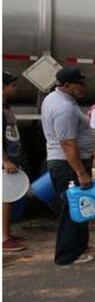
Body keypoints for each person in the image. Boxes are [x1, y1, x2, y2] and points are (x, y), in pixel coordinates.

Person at [41, 67, 95, 265]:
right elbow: (68, 143)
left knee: (78, 208)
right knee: (72, 209)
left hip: (67, 163)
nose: (83, 87)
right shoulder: (63, 108)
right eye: (79, 83)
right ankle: (67, 255)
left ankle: (79, 246)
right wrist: (81, 172)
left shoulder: (59, 100)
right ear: (65, 85)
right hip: (68, 165)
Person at [3, 71, 28, 252]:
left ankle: (6, 232)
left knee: (8, 198)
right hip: (5, 161)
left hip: (12, 157)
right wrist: (5, 160)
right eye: (12, 85)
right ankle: (3, 238)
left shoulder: (6, 107)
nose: (15, 89)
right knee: (4, 198)